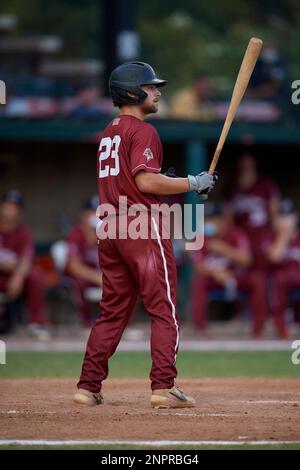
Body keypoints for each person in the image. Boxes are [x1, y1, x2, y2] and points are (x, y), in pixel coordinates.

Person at [74, 61, 218, 409]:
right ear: (132, 92)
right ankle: (164, 386)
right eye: (152, 87)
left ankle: (88, 387)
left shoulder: (110, 131)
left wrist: (168, 182)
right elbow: (145, 182)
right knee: (164, 308)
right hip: (141, 227)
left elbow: (138, 179)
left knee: (112, 312)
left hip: (110, 226)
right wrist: (192, 183)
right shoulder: (143, 130)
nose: (157, 92)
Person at [189, 202, 268, 336]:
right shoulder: (199, 237)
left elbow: (247, 260)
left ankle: (258, 329)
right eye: (207, 219)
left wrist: (224, 249)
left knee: (257, 280)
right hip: (214, 278)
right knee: (198, 281)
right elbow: (197, 267)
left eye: (213, 219)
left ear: (221, 220)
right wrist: (215, 273)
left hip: (235, 275)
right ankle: (200, 329)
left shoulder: (236, 233)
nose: (210, 223)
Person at [0, 190, 48, 340]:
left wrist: (18, 277)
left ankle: (35, 324)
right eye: (8, 206)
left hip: (12, 277)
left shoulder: (23, 233)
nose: (11, 211)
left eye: (15, 207)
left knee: (35, 276)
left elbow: (26, 259)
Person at [224, 153, 281, 271]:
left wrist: (274, 233)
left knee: (264, 267)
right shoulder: (232, 188)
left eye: (249, 165)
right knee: (242, 269)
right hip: (242, 234)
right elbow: (228, 217)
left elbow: (274, 212)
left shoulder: (265, 184)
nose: (246, 168)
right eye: (243, 165)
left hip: (261, 233)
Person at [65, 195, 103, 327]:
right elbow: (74, 267)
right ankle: (85, 322)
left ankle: (124, 324)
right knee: (79, 282)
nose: (96, 215)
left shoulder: (107, 232)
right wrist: (98, 277)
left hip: (102, 275)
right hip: (84, 277)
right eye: (92, 211)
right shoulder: (76, 233)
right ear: (84, 214)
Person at [264, 199, 300, 337]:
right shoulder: (271, 236)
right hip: (282, 279)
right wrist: (284, 235)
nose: (285, 220)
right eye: (282, 216)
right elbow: (274, 257)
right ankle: (282, 328)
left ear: (295, 216)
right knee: (278, 280)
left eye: (288, 216)